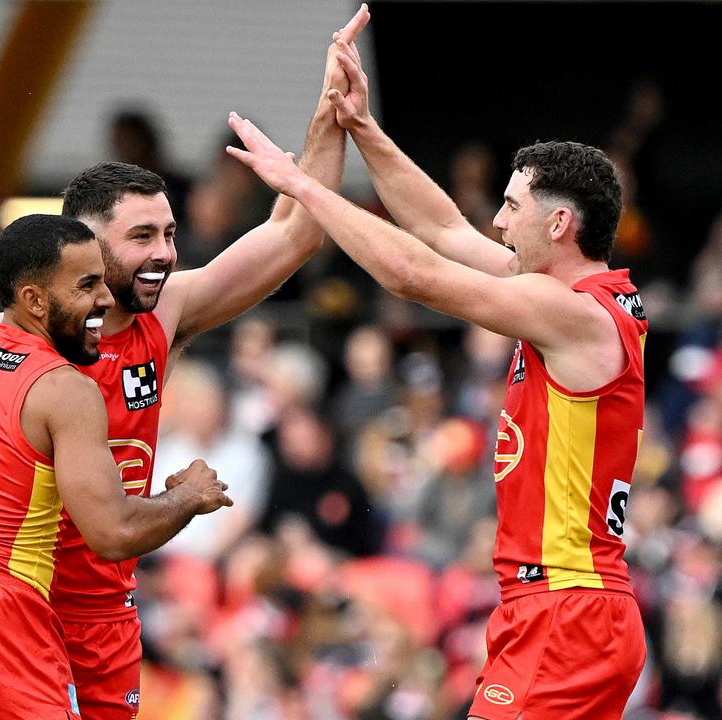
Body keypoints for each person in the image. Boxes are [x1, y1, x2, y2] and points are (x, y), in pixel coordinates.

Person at [0, 9, 375, 718]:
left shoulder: (166, 314)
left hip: (104, 615)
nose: (165, 254)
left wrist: (332, 113)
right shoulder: (7, 333)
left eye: (171, 234)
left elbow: (296, 232)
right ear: (84, 243)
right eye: (142, 235)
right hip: (10, 606)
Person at [224, 27, 647, 718]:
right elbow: (442, 231)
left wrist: (301, 184)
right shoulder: (571, 298)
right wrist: (361, 126)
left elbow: (413, 274)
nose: (500, 223)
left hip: (565, 609)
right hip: (571, 605)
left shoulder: (565, 309)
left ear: (561, 223)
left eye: (513, 207)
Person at [0, 214, 232, 720]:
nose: (106, 298)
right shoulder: (64, 387)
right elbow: (112, 533)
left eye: (103, 279)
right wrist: (189, 496)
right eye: (86, 285)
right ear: (35, 300)